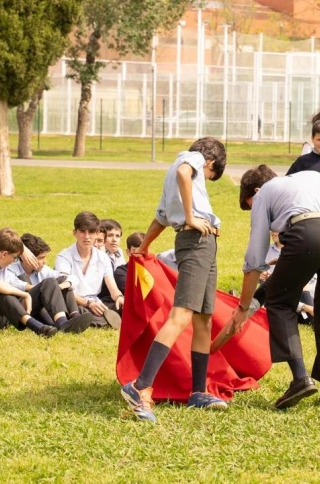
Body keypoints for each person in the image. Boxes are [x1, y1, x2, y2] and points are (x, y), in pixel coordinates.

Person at [222, 166, 320, 410]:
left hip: (309, 233)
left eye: (250, 206)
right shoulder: (312, 176)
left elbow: (254, 258)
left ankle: (300, 379)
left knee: (280, 304)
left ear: (256, 190)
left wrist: (243, 306)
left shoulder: (264, 194)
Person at [119, 137, 229, 422]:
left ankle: (197, 392)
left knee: (203, 318)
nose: (204, 179)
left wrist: (143, 249)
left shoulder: (175, 175)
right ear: (211, 163)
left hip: (203, 244)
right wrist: (192, 218)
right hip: (196, 240)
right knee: (180, 315)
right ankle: (140, 386)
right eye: (210, 176)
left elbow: (161, 218)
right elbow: (184, 174)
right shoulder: (190, 160)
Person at [6, 233, 94, 333]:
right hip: (21, 308)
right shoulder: (11, 269)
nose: (45, 261)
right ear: (26, 258)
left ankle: (75, 317)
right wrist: (44, 288)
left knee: (62, 280)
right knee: (48, 283)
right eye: (41, 258)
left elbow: (73, 278)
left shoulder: (43, 270)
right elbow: (12, 284)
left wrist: (61, 286)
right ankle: (62, 323)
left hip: (40, 310)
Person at [55, 212, 123, 328]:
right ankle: (98, 320)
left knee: (124, 306)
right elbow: (64, 289)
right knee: (77, 309)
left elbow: (113, 289)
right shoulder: (64, 257)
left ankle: (101, 318)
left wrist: (120, 297)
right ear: (74, 233)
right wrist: (88, 303)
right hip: (73, 301)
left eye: (91, 232)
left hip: (96, 301)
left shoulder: (103, 257)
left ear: (97, 233)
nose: (87, 237)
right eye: (82, 231)